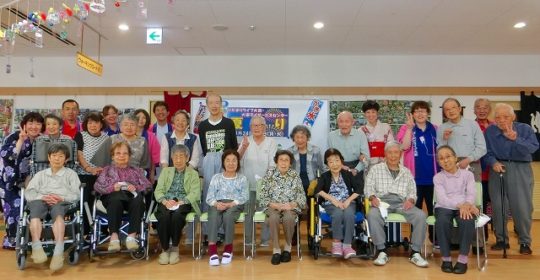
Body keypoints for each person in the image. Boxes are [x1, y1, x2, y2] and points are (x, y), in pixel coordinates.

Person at [484, 103, 539, 255]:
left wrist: (516, 139)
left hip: (520, 169)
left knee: (522, 207)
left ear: (513, 117)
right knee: (498, 205)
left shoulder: (524, 129)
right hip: (498, 168)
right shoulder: (490, 131)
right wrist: (493, 162)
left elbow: (533, 148)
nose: (502, 120)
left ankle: (524, 242)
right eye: (498, 117)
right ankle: (501, 240)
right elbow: (486, 152)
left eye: (506, 117)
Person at [365, 141, 428, 268]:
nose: (393, 156)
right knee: (372, 214)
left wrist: (410, 200)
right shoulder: (375, 169)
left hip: (401, 203)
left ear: (400, 154)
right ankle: (382, 251)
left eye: (396, 152)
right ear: (385, 154)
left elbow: (412, 191)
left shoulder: (406, 171)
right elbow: (368, 188)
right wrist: (372, 198)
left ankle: (415, 252)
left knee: (421, 215)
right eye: (390, 152)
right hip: (382, 202)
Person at [25, 143, 80, 272]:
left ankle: (58, 252)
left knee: (58, 214)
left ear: (66, 159)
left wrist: (62, 198)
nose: (57, 158)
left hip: (61, 201)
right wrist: (42, 197)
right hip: (41, 199)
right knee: (35, 213)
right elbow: (29, 192)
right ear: (49, 158)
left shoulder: (71, 174)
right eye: (54, 156)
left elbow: (76, 194)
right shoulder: (40, 174)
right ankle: (37, 247)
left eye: (61, 156)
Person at [93, 142, 152, 252]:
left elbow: (148, 186)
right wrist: (112, 187)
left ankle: (131, 237)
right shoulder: (106, 170)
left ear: (129, 156)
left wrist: (135, 187)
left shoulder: (136, 171)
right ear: (113, 156)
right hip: (112, 198)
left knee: (138, 200)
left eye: (125, 153)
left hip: (130, 199)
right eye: (118, 153)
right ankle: (114, 238)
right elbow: (97, 186)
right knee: (115, 200)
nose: (121, 156)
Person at [0, 112, 45, 249]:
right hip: (9, 182)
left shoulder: (40, 140)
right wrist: (20, 140)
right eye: (30, 123)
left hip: (29, 182)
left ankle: (30, 238)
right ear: (24, 125)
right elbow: (5, 154)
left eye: (38, 123)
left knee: (29, 210)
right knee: (13, 211)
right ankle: (12, 240)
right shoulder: (13, 136)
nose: (34, 126)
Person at [396, 101, 438, 242]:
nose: (420, 114)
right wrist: (409, 129)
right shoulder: (406, 128)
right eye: (417, 111)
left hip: (434, 177)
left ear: (428, 113)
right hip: (414, 178)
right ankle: (416, 241)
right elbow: (404, 146)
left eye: (423, 111)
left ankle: (435, 239)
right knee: (415, 211)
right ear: (413, 114)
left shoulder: (435, 128)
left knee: (435, 210)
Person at [198, 93, 238, 237]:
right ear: (207, 105)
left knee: (224, 193)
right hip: (209, 159)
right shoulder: (202, 125)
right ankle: (208, 231)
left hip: (225, 160)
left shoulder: (228, 123)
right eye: (211, 103)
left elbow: (233, 145)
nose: (214, 105)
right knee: (209, 193)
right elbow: (203, 147)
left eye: (217, 102)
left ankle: (221, 231)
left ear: (221, 104)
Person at [434, 145, 478, 274]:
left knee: (467, 220)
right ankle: (446, 259)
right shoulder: (438, 177)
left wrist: (468, 204)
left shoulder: (468, 174)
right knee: (442, 221)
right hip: (444, 207)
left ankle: (463, 260)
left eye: (448, 156)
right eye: (441, 158)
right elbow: (442, 199)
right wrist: (461, 205)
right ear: (438, 162)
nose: (445, 160)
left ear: (455, 158)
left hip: (465, 206)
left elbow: (471, 193)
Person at [154, 145, 201, 265]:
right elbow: (158, 190)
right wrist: (165, 201)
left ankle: (174, 247)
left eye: (181, 157)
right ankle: (165, 249)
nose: (178, 160)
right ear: (171, 158)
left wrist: (182, 201)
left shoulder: (193, 174)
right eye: (175, 157)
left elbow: (195, 193)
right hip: (166, 201)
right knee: (163, 216)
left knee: (177, 216)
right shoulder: (166, 171)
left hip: (183, 202)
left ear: (187, 158)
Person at [259, 150, 306, 265]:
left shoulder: (294, 175)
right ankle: (276, 250)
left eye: (286, 160)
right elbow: (262, 196)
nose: (283, 163)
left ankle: (287, 248)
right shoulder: (269, 174)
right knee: (274, 218)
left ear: (290, 163)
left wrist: (292, 205)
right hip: (273, 206)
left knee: (288, 217)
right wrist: (274, 205)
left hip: (290, 207)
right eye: (281, 160)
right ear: (276, 162)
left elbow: (302, 197)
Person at [315, 148, 361, 260]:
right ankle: (336, 244)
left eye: (337, 160)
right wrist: (334, 200)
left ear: (341, 161)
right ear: (327, 164)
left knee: (349, 214)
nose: (335, 164)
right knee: (338, 213)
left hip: (348, 202)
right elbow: (318, 190)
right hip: (331, 204)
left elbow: (359, 189)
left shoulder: (348, 174)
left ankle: (347, 246)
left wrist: (348, 200)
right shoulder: (324, 176)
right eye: (331, 161)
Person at [239, 115, 278, 247]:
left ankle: (265, 240)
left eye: (259, 125)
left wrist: (267, 182)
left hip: (266, 185)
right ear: (250, 128)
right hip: (247, 184)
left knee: (266, 212)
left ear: (265, 127)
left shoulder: (271, 142)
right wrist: (243, 147)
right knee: (248, 213)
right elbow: (236, 161)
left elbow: (273, 164)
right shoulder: (245, 141)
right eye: (254, 125)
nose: (257, 128)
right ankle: (249, 240)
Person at [205, 150, 248, 266]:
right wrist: (216, 204)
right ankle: (212, 250)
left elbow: (245, 196)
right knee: (213, 216)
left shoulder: (242, 178)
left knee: (228, 216)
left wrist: (231, 204)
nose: (231, 163)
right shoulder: (216, 177)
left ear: (238, 163)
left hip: (235, 204)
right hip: (217, 203)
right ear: (223, 163)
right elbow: (209, 197)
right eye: (227, 160)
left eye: (234, 160)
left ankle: (228, 248)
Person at [287, 124, 325, 243]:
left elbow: (322, 168)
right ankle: (294, 236)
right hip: (295, 186)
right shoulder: (289, 151)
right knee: (295, 210)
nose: (300, 140)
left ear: (307, 138)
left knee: (312, 211)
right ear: (293, 138)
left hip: (312, 185)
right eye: (297, 137)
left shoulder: (316, 150)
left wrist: (320, 183)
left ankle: (312, 234)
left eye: (302, 137)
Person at [74, 112, 109, 234]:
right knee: (85, 201)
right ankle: (85, 232)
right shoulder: (80, 135)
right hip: (84, 174)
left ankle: (104, 229)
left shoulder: (106, 138)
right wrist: (89, 168)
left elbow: (108, 157)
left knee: (104, 200)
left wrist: (102, 170)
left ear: (101, 124)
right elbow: (79, 154)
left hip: (101, 174)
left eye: (96, 122)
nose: (93, 125)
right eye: (90, 123)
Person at [437, 98, 486, 181]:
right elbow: (440, 151)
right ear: (444, 113)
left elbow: (482, 148)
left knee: (473, 192)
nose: (451, 111)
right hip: (450, 165)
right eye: (447, 110)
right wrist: (444, 139)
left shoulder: (472, 124)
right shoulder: (442, 128)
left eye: (453, 108)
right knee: (451, 192)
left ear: (459, 109)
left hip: (472, 163)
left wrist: (468, 160)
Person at [328, 111, 370, 189]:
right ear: (337, 123)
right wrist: (340, 166)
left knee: (358, 195)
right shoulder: (331, 136)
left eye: (347, 121)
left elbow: (366, 156)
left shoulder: (360, 135)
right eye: (341, 121)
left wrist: (356, 169)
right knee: (339, 195)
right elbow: (329, 156)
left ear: (352, 122)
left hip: (357, 167)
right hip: (338, 167)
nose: (344, 124)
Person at [474, 98, 494, 242]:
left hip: (493, 172)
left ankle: (499, 237)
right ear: (474, 110)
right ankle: (481, 238)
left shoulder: (495, 126)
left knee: (497, 206)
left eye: (485, 107)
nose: (482, 110)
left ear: (489, 110)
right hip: (477, 173)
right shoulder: (470, 126)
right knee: (479, 204)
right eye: (479, 107)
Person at [360, 100, 394, 168]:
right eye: (368, 112)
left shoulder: (386, 127)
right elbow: (360, 151)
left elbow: (391, 145)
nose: (371, 115)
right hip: (369, 165)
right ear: (364, 114)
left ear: (377, 113)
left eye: (373, 112)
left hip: (385, 163)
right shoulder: (361, 130)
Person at [134, 108, 160, 183]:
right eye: (138, 117)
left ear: (147, 120)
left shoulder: (151, 136)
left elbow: (154, 157)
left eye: (144, 118)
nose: (141, 119)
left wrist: (152, 173)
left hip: (146, 171)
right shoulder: (128, 134)